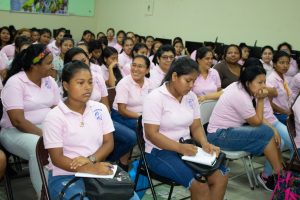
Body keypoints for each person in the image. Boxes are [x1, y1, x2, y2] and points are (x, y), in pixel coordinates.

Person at [42, 60, 139, 200]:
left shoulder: (99, 109)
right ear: (66, 85)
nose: (87, 87)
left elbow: (108, 143)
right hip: (64, 173)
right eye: (81, 83)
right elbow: (57, 158)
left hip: (96, 167)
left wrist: (90, 161)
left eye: (90, 82)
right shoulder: (55, 116)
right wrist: (89, 168)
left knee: (131, 197)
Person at [143, 57, 228, 200]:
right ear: (174, 76)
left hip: (186, 147)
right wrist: (180, 148)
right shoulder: (155, 97)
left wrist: (204, 143)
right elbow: (152, 135)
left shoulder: (191, 97)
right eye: (188, 80)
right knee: (200, 184)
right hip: (159, 152)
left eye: (194, 81)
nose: (191, 85)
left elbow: (196, 126)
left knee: (221, 176)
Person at [207, 65, 283, 191]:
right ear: (248, 82)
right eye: (260, 82)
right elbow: (257, 122)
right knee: (266, 133)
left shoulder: (240, 86)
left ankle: (278, 173)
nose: (264, 86)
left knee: (269, 133)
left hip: (228, 132)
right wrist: (261, 100)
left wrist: (274, 129)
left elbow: (255, 117)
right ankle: (279, 174)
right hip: (219, 136)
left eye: (264, 81)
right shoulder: (240, 95)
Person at [0, 44, 60, 197]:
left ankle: (62, 187)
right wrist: (43, 134)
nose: (52, 66)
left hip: (44, 126)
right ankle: (44, 194)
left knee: (70, 137)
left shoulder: (49, 81)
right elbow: (17, 121)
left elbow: (58, 108)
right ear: (34, 65)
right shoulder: (15, 82)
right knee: (38, 147)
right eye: (48, 62)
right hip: (14, 132)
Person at [267, 51, 292, 125]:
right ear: (274, 64)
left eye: (287, 63)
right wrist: (285, 112)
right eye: (282, 62)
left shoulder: (284, 76)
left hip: (286, 113)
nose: (285, 66)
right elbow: (269, 103)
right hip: (277, 115)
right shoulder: (271, 79)